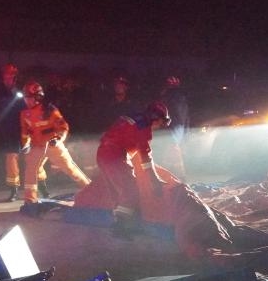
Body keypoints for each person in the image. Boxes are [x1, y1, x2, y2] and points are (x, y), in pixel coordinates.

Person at [95, 101, 170, 237]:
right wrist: (154, 179)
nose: (160, 126)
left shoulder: (135, 118)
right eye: (160, 122)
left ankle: (128, 223)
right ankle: (121, 228)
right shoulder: (143, 128)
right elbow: (145, 156)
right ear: (154, 117)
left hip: (103, 153)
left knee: (118, 191)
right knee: (130, 189)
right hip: (114, 155)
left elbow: (126, 141)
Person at [20, 81, 91, 204]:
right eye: (26, 98)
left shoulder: (49, 110)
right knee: (30, 170)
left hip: (53, 145)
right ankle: (30, 200)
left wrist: (58, 139)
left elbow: (63, 127)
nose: (27, 100)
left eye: (29, 98)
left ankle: (91, 191)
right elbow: (25, 132)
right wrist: (25, 144)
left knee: (70, 169)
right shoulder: (24, 114)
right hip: (37, 146)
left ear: (38, 97)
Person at [0, 63, 42, 202]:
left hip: (25, 129)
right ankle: (14, 190)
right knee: (11, 160)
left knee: (32, 159)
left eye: (11, 76)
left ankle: (41, 186)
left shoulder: (23, 90)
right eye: (6, 76)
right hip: (9, 130)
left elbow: (30, 108)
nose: (8, 78)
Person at [159, 75, 189, 178]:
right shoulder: (182, 98)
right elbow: (185, 118)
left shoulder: (170, 98)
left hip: (170, 132)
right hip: (176, 132)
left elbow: (179, 117)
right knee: (173, 162)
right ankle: (179, 183)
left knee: (169, 162)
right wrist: (184, 137)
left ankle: (176, 184)